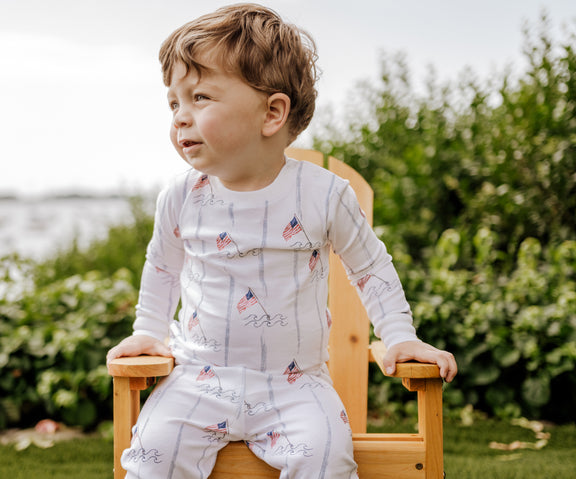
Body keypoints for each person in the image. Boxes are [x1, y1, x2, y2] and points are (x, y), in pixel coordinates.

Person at [106, 4, 457, 478]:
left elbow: (370, 266)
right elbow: (163, 267)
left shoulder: (323, 195)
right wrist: (150, 331)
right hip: (197, 380)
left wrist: (398, 337)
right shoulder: (182, 197)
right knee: (152, 454)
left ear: (272, 113)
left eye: (200, 97)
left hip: (296, 386)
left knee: (327, 459)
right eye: (174, 103)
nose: (180, 118)